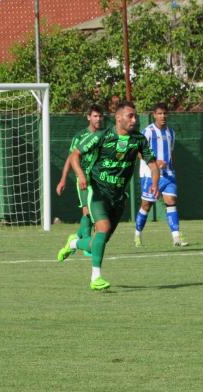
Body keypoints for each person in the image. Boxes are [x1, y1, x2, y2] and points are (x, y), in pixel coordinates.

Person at [57, 101, 160, 290]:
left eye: (135, 116)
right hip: (97, 191)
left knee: (99, 241)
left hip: (119, 197)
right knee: (102, 229)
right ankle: (95, 278)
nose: (134, 120)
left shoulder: (139, 139)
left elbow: (152, 164)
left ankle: (74, 243)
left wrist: (155, 182)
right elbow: (74, 156)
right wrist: (80, 175)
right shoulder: (102, 136)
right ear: (118, 117)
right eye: (130, 116)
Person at [134, 102, 188, 247]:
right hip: (149, 174)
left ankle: (176, 237)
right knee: (146, 205)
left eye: (165, 113)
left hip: (168, 173)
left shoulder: (171, 132)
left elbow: (170, 152)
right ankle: (137, 234)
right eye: (159, 113)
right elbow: (138, 152)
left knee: (171, 201)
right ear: (154, 115)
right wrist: (154, 162)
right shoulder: (148, 132)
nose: (163, 116)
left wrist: (167, 165)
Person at [56, 104, 104, 245]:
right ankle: (86, 244)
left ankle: (77, 237)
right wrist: (63, 180)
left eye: (100, 116)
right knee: (87, 212)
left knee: (98, 213)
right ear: (89, 117)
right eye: (95, 116)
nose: (98, 119)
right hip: (84, 179)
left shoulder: (105, 135)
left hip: (100, 180)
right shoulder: (80, 136)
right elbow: (71, 158)